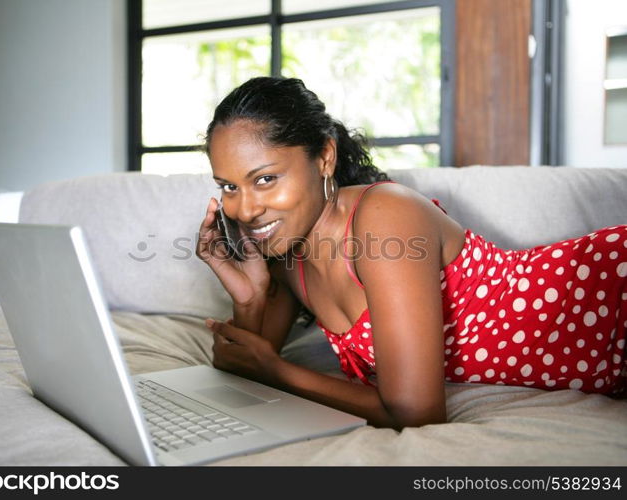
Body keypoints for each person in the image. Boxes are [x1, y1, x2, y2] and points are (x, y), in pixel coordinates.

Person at [195, 76, 627, 429]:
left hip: (602, 295)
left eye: (265, 179)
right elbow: (245, 361)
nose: (246, 209)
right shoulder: (288, 254)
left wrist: (277, 371)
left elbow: (416, 412)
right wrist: (249, 296)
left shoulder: (384, 218)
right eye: (229, 187)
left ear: (324, 157)